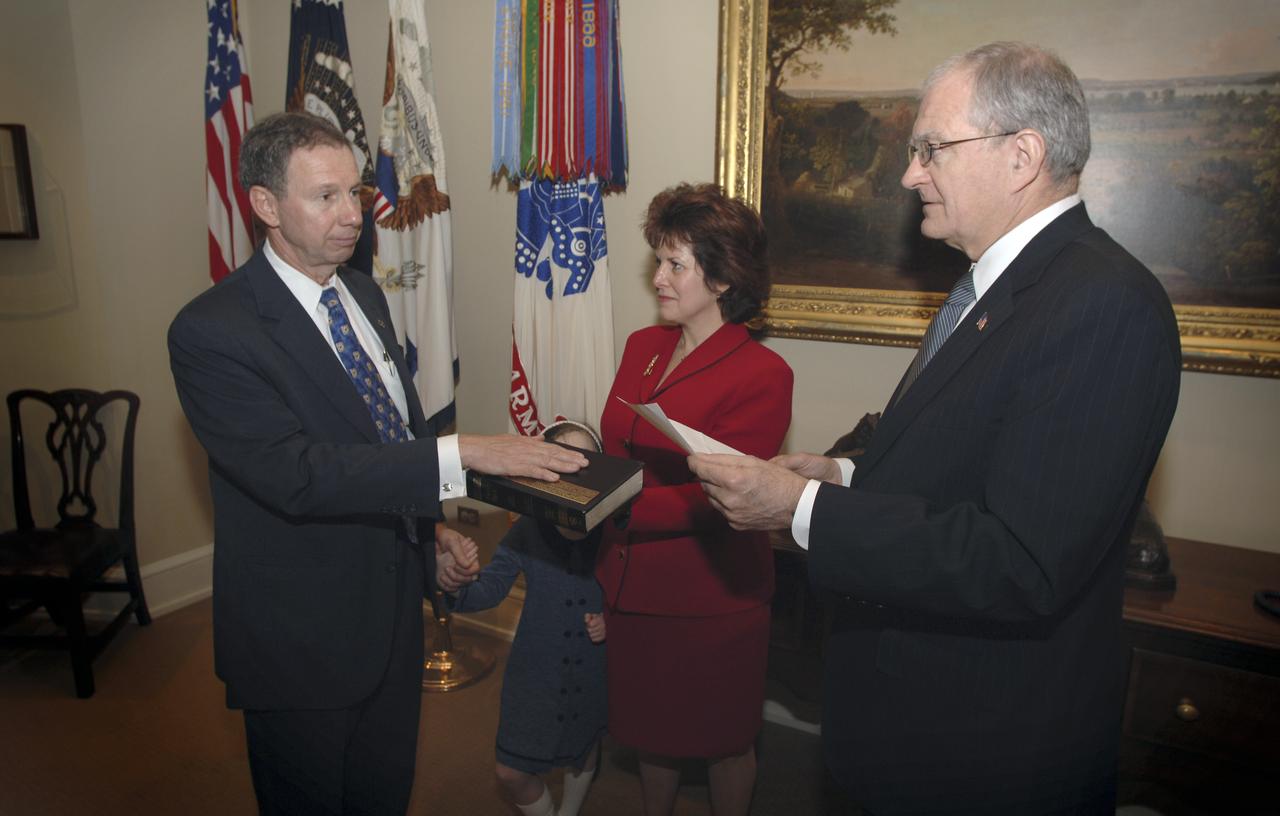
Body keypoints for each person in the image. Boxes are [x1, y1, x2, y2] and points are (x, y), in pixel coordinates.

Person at [689, 42, 1182, 815]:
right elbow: (952, 463)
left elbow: (1020, 561)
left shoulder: (1104, 305)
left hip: (979, 754)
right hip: (905, 725)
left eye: (931, 149)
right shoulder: (997, 284)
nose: (909, 173)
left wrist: (800, 510)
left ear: (1022, 156)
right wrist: (843, 475)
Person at [167, 111, 587, 816]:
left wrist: (430, 533)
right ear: (265, 206)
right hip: (299, 638)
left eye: (355, 192)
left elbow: (389, 433)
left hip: (393, 620)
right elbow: (297, 475)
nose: (352, 214)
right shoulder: (212, 332)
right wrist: (464, 452)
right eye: (324, 195)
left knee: (382, 795)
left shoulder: (361, 292)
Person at [596, 183, 794, 815]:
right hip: (632, 583)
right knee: (652, 735)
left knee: (723, 741)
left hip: (711, 598)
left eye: (675, 264)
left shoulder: (763, 375)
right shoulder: (642, 347)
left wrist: (609, 506)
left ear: (721, 278)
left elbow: (723, 499)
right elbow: (620, 449)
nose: (658, 277)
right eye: (659, 259)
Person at [437, 420, 609, 816]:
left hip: (593, 669)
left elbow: (636, 594)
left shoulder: (614, 532)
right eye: (561, 464)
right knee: (511, 771)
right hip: (536, 671)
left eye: (584, 465)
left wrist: (611, 622)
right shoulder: (527, 532)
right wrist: (455, 582)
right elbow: (488, 590)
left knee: (583, 749)